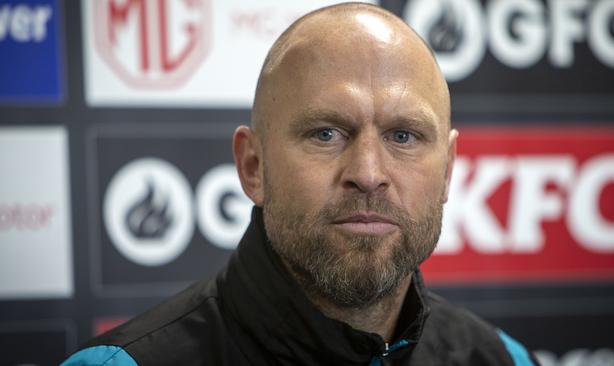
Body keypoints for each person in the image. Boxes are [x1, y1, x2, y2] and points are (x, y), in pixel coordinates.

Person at [63, 3, 540, 365]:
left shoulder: (503, 358)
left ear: (448, 171)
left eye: (403, 135)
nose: (369, 173)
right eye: (326, 133)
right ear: (254, 167)